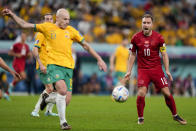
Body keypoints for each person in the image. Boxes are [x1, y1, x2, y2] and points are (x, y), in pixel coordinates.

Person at [2, 8, 107, 130]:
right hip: (53, 65)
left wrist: (99, 59)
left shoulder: (71, 31)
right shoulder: (47, 28)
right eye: (65, 19)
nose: (68, 22)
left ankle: (46, 99)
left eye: (69, 19)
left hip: (68, 68)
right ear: (57, 18)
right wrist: (12, 15)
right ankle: (63, 123)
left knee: (66, 101)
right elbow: (24, 24)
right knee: (62, 90)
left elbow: (86, 46)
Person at [123, 14, 187, 125]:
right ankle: (140, 118)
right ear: (141, 24)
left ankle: (175, 115)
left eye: (148, 23)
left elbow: (164, 54)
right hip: (143, 70)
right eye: (144, 23)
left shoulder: (159, 38)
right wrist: (129, 70)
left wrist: (167, 70)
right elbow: (132, 54)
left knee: (166, 93)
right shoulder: (135, 38)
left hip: (157, 69)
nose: (145, 25)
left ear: (152, 24)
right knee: (141, 92)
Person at [31, 13, 58, 117]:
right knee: (50, 88)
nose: (49, 20)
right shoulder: (41, 34)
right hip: (44, 66)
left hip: (52, 65)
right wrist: (41, 64)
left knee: (55, 89)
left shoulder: (52, 34)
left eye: (51, 19)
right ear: (43, 21)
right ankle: (35, 110)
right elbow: (34, 49)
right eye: (47, 19)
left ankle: (48, 111)